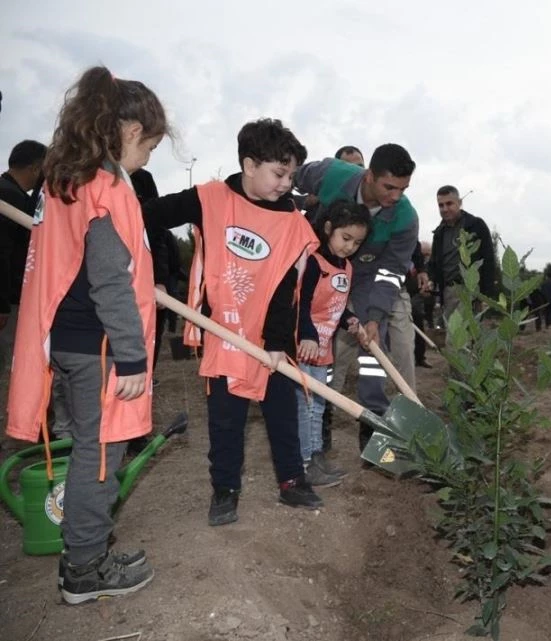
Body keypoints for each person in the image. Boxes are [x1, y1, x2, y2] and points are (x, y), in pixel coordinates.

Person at [6, 66, 166, 603]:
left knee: (90, 454)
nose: (149, 155)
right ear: (126, 130)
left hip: (73, 344)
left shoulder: (67, 178)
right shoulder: (104, 186)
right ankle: (84, 569)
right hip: (100, 348)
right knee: (99, 461)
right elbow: (109, 284)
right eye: (150, 143)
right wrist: (132, 358)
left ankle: (87, 546)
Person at [143, 118, 323, 525]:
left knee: (282, 411)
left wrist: (277, 343)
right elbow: (147, 216)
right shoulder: (210, 199)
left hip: (272, 337)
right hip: (222, 331)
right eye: (279, 173)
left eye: (291, 176)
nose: (285, 184)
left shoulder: (292, 222)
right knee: (226, 418)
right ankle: (225, 489)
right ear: (248, 164)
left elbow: (284, 286)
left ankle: (292, 481)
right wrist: (147, 268)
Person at [293, 143, 418, 452]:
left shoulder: (405, 218)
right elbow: (288, 176)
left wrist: (374, 316)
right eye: (389, 187)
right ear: (369, 176)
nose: (396, 197)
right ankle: (318, 422)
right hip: (319, 270)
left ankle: (373, 424)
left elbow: (390, 274)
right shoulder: (332, 174)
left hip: (367, 281)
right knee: (321, 344)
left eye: (403, 189)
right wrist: (296, 204)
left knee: (375, 349)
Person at [296, 200, 371, 487]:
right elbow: (301, 303)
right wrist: (307, 336)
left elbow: (335, 307)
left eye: (357, 242)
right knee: (305, 405)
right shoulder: (314, 263)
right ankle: (303, 463)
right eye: (346, 238)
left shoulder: (347, 268)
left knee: (317, 405)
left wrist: (349, 319)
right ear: (328, 229)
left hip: (324, 348)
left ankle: (316, 456)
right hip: (305, 347)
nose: (350, 246)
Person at [0, 140, 47, 377]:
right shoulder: (10, 198)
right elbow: (2, 254)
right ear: (36, 168)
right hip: (9, 300)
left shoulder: (10, 193)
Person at [424, 185, 496, 324]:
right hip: (449, 292)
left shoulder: (475, 225)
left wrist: (485, 296)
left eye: (449, 203)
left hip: (471, 290)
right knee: (456, 338)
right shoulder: (439, 232)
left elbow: (488, 261)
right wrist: (430, 280)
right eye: (441, 205)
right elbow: (434, 263)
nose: (445, 209)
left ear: (460, 203)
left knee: (460, 339)